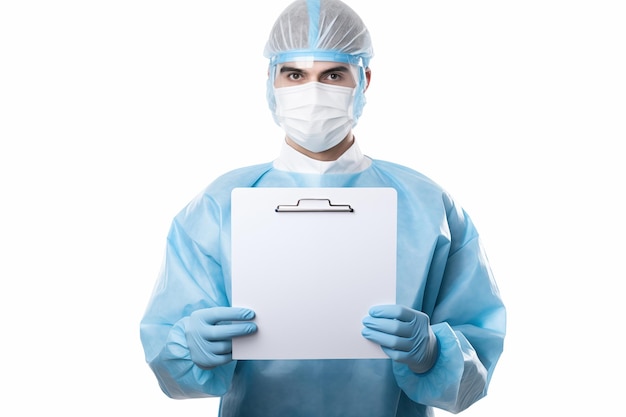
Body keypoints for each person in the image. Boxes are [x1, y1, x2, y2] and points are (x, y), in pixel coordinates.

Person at [139, 0, 506, 416]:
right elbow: (170, 363)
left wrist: (434, 352)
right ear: (271, 82)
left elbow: (474, 368)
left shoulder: (428, 207)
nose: (312, 92)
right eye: (294, 74)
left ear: (364, 79)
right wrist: (191, 347)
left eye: (333, 75)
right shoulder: (217, 207)